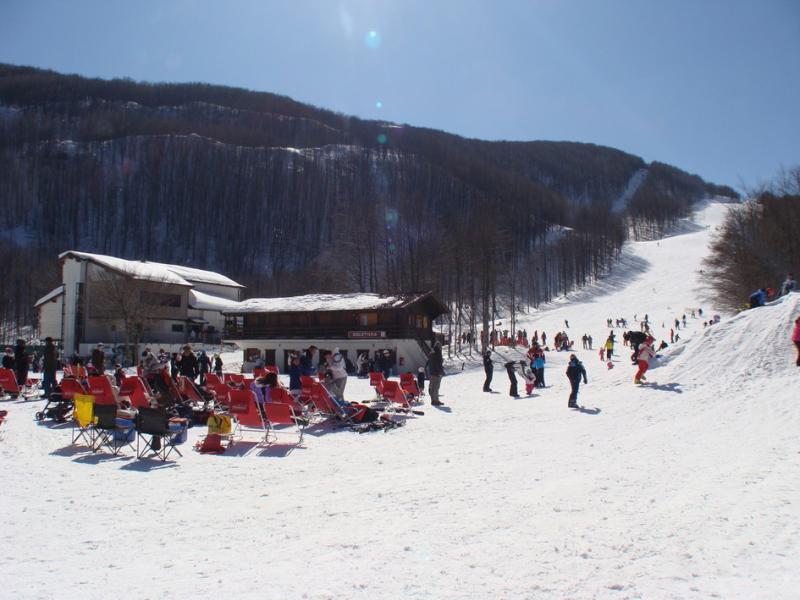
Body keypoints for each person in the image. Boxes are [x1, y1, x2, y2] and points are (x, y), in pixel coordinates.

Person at [428, 341, 444, 406]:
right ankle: (435, 400)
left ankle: (433, 400)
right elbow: (438, 364)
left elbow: (430, 363)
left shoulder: (432, 353)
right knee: (436, 387)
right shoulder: (438, 353)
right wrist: (439, 372)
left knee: (432, 387)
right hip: (436, 373)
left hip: (431, 372)